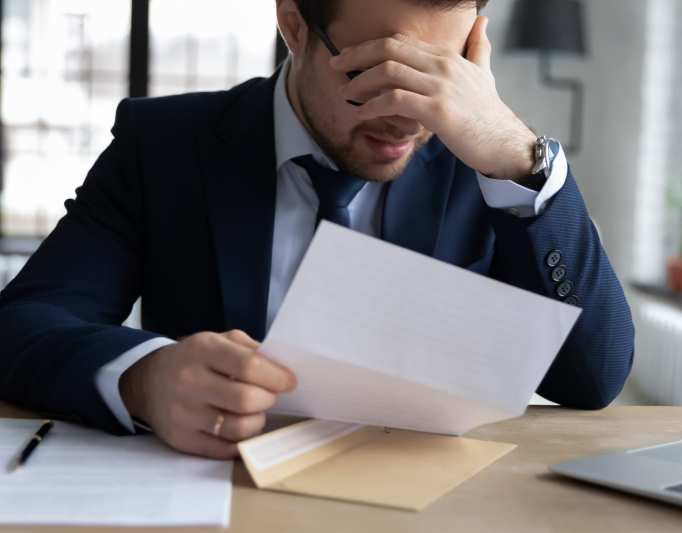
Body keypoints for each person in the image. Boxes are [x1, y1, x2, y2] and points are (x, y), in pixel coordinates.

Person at [0, 0, 634, 459]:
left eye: (437, 73)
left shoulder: (489, 169)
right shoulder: (164, 146)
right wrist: (145, 378)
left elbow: (591, 379)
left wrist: (518, 158)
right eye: (374, 73)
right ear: (294, 25)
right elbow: (22, 324)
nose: (406, 118)